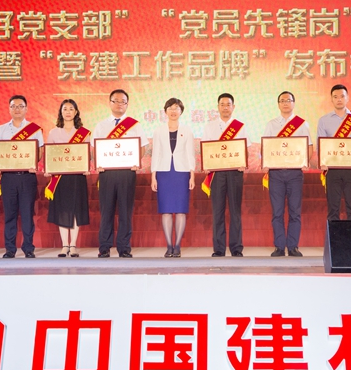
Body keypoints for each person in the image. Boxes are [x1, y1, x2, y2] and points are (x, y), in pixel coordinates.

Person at [91, 89, 148, 258]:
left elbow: (142, 147)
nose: (119, 104)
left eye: (123, 101)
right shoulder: (101, 125)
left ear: (127, 104)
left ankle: (124, 248)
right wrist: (98, 164)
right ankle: (104, 247)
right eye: (115, 101)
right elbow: (94, 148)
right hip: (107, 173)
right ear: (110, 103)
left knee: (125, 211)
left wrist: (136, 161)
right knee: (106, 211)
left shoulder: (135, 125)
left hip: (127, 173)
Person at [263, 91, 313, 257]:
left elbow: (309, 147)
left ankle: (293, 246)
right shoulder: (271, 124)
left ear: (293, 103)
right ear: (278, 104)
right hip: (276, 173)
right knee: (277, 212)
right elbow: (266, 147)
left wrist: (305, 161)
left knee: (294, 211)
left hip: (295, 173)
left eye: (288, 100)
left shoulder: (302, 124)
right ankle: (279, 246)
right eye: (282, 100)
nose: (285, 103)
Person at [0, 95, 43, 259]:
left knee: (27, 213)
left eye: (21, 106)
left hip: (27, 177)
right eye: (13, 106)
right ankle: (10, 249)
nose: (17, 109)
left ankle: (28, 248)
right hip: (8, 177)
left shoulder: (34, 129)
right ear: (9, 109)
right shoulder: (1, 129)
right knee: (10, 214)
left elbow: (40, 151)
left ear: (26, 109)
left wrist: (33, 162)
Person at [202, 93, 250, 257]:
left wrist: (243, 163)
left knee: (235, 211)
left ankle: (236, 248)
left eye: (228, 104)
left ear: (233, 107)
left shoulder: (240, 126)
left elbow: (245, 148)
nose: (225, 107)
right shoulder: (210, 126)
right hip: (217, 174)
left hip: (235, 173)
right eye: (222, 104)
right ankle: (219, 249)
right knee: (218, 211)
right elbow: (206, 148)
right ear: (218, 107)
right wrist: (207, 164)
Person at [45, 99, 91, 258]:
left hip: (77, 177)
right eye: (65, 109)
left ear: (76, 112)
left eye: (71, 109)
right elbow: (49, 155)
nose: (68, 112)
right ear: (61, 112)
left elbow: (86, 155)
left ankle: (73, 245)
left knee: (76, 210)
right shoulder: (53, 133)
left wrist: (86, 167)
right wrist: (48, 169)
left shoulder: (84, 133)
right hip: (60, 178)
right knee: (62, 211)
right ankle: (64, 245)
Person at [151, 98, 196, 258]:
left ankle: (177, 246)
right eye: (170, 108)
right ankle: (169, 245)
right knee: (166, 211)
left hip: (181, 173)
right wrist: (153, 176)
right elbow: (156, 153)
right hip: (164, 173)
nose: (173, 111)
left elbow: (190, 154)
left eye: (176, 108)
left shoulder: (187, 130)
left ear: (181, 111)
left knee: (181, 210)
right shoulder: (158, 131)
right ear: (165, 111)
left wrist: (192, 175)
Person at [316, 84, 351, 221]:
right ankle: (334, 235)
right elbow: (320, 144)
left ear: (347, 98)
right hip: (332, 169)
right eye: (335, 97)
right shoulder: (324, 120)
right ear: (331, 99)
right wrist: (322, 161)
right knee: (333, 208)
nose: (339, 99)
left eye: (342, 96)